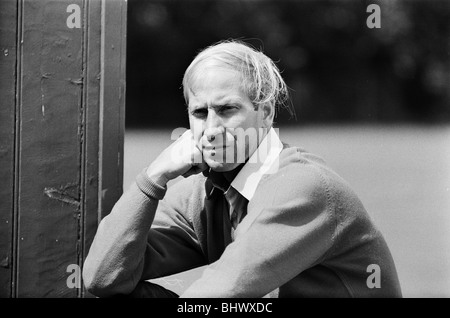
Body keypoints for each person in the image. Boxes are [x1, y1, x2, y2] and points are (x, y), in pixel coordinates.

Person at [82, 39, 402, 298]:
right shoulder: (205, 192)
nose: (211, 128)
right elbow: (103, 278)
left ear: (265, 112)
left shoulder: (303, 186)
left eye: (227, 109)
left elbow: (221, 295)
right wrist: (153, 178)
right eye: (200, 112)